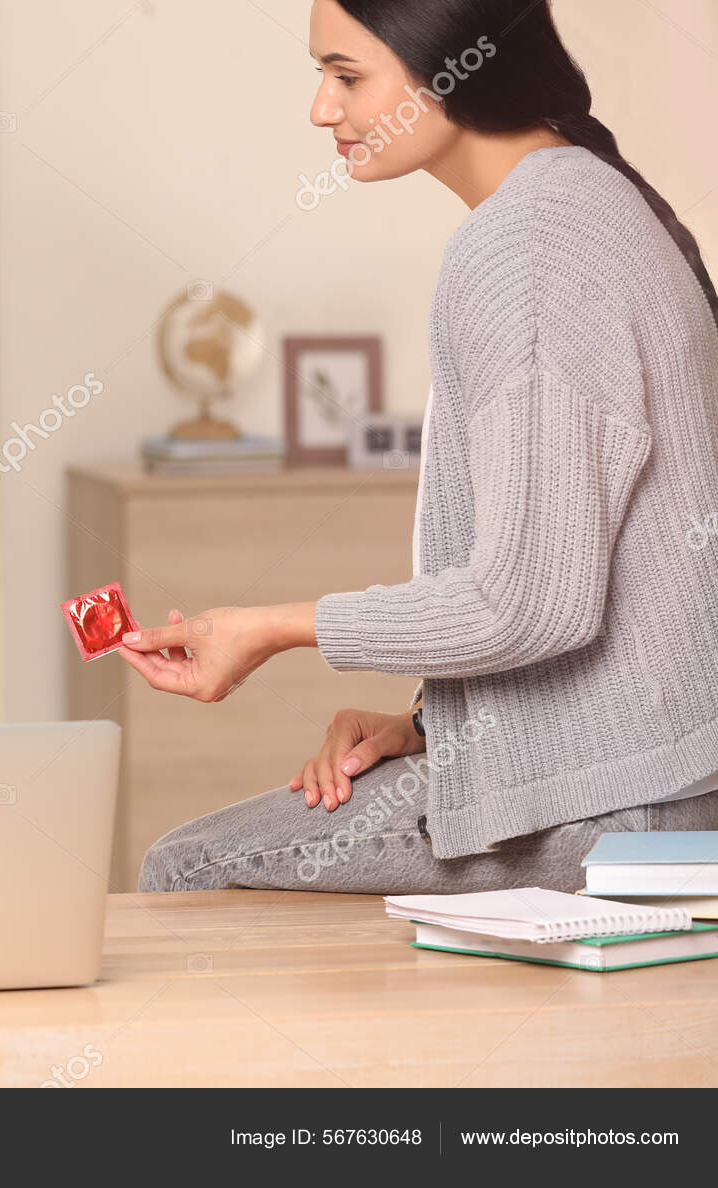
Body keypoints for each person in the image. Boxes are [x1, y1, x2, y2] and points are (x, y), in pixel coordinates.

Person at [128, 0, 718, 894]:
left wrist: (276, 628)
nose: (322, 111)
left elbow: (533, 601)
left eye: (347, 75)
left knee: (187, 870)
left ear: (452, 66)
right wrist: (431, 725)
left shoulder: (528, 246)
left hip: (618, 807)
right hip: (656, 778)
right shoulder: (587, 196)